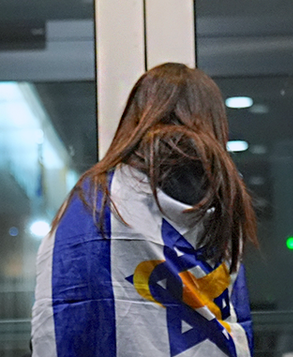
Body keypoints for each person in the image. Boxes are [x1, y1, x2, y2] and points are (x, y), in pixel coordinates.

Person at [32, 63, 258, 357]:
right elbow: (236, 316)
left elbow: (59, 310)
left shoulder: (96, 200)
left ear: (136, 117)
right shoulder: (227, 199)